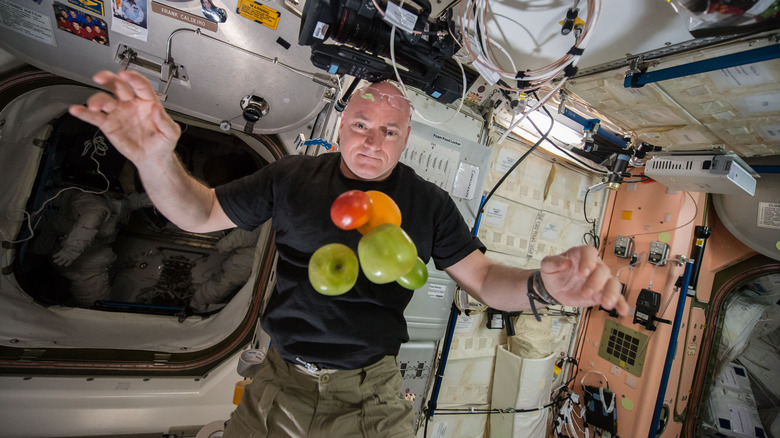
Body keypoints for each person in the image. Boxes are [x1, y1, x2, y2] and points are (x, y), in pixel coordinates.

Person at [69, 70, 630, 437]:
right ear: (342, 125)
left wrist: (542, 286)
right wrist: (154, 161)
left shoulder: (428, 204)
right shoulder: (291, 177)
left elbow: (482, 277)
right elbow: (199, 212)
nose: (372, 142)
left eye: (389, 132)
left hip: (372, 399)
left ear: (406, 138)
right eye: (361, 125)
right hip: (278, 384)